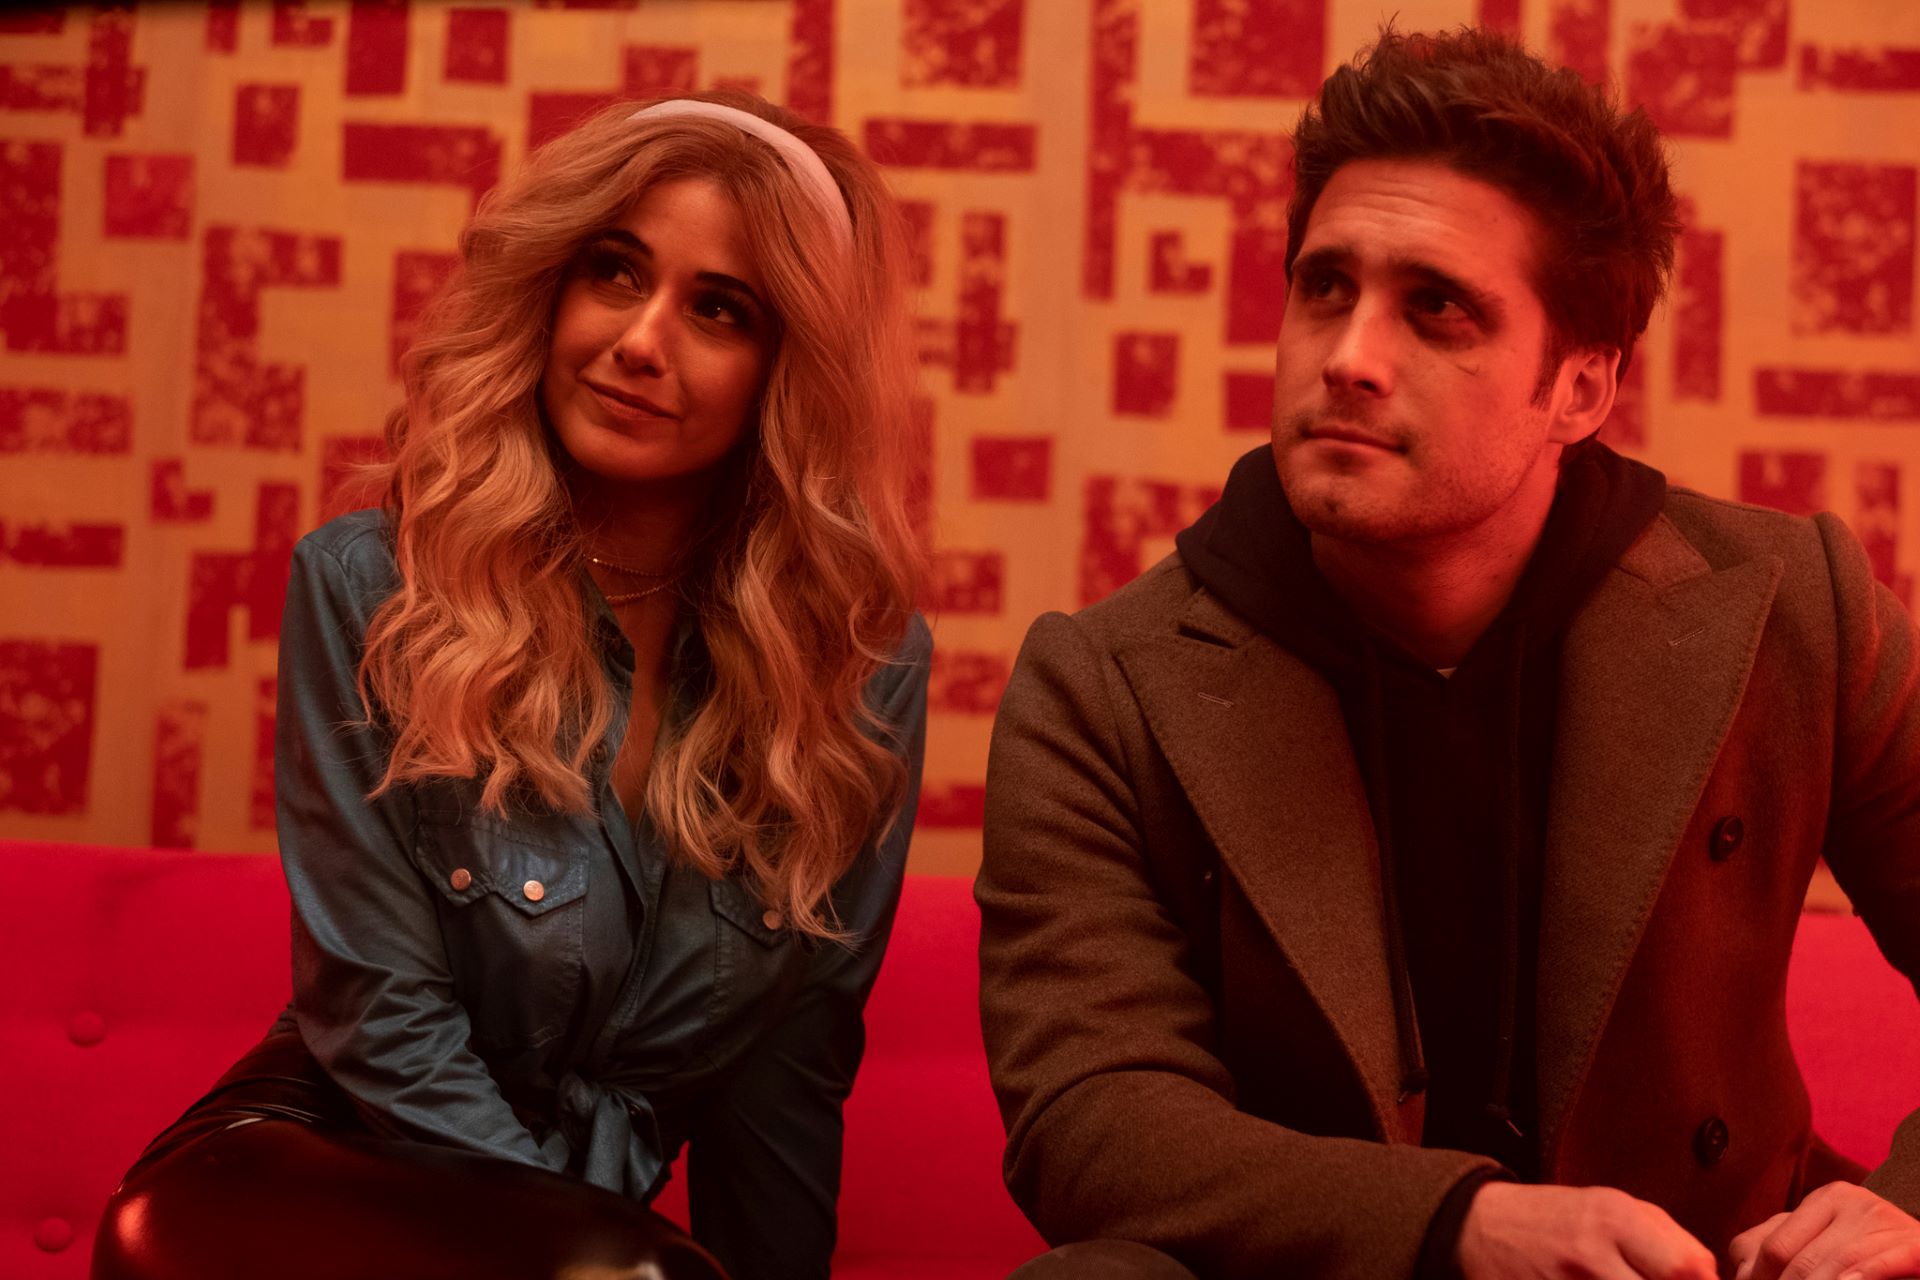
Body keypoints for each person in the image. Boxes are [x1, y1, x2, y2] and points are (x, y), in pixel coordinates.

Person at [976, 26, 1920, 1280]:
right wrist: (1458, 1221)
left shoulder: (1795, 605)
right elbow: (1092, 1118)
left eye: (1438, 308)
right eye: (1325, 287)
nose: (1349, 357)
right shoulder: (1103, 684)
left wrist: (1907, 1207)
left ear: (1580, 388)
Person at [95, 90, 930, 1280]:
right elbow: (380, 1017)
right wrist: (584, 1242)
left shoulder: (860, 666)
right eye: (613, 271)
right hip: (305, 1175)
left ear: (788, 371)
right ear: (550, 287)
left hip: (593, 1256)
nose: (640, 339)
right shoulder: (373, 584)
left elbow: (786, 1072)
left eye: (719, 308)